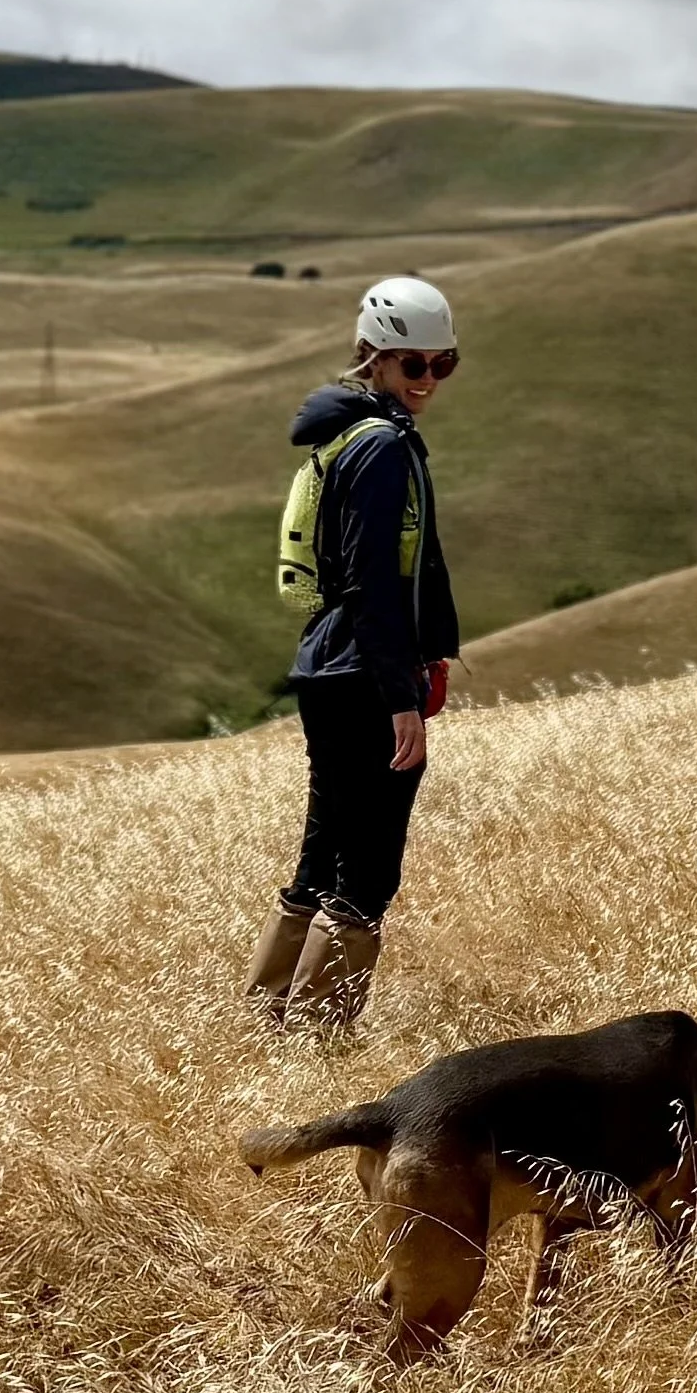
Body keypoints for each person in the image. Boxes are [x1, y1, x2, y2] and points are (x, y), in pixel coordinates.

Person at [247, 275, 462, 1034]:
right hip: (367, 675)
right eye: (415, 365)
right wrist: (402, 698)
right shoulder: (381, 449)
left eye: (445, 363)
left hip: (329, 666)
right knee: (368, 867)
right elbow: (373, 578)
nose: (429, 381)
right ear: (374, 357)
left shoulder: (346, 435)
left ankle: (269, 1017)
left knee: (326, 849)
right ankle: (317, 1036)